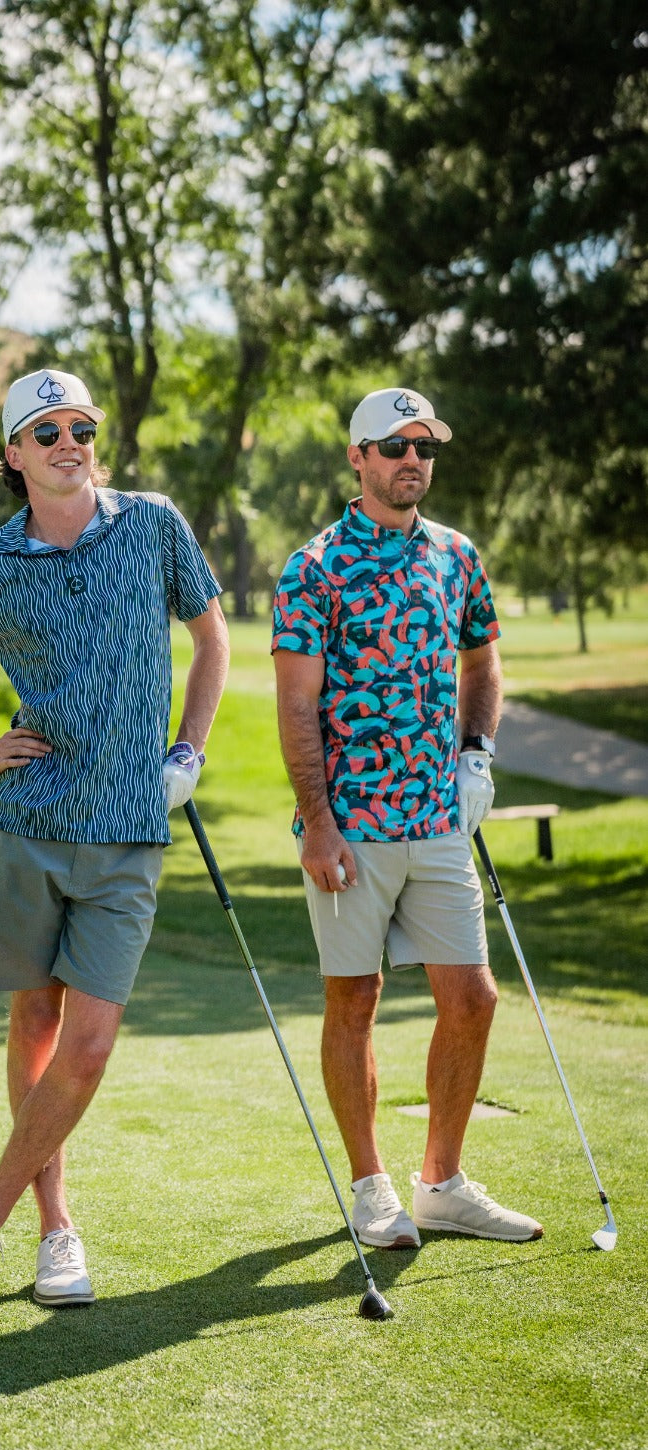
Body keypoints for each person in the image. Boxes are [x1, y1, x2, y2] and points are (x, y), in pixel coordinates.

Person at [0, 368, 229, 1306]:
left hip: (130, 831)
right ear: (13, 454)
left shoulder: (155, 523)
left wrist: (189, 752)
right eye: (45, 431)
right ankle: (56, 1230)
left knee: (86, 1049)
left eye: (79, 426)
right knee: (35, 1026)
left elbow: (214, 641)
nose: (68, 442)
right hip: (29, 828)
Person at [271, 387, 543, 1251]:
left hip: (438, 823)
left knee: (473, 998)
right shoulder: (314, 567)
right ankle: (370, 1187)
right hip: (351, 829)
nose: (411, 461)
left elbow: (482, 655)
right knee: (355, 1001)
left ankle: (443, 1182)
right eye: (394, 446)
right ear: (358, 459)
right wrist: (316, 820)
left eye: (424, 447)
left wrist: (477, 754)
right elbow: (297, 704)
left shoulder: (456, 555)